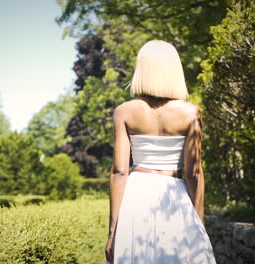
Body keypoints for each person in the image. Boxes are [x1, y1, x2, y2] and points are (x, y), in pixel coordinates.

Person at [104, 40, 217, 264]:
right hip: (174, 196)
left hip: (136, 198)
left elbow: (119, 172)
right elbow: (194, 173)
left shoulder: (124, 112)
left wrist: (112, 233)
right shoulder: (191, 113)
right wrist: (199, 223)